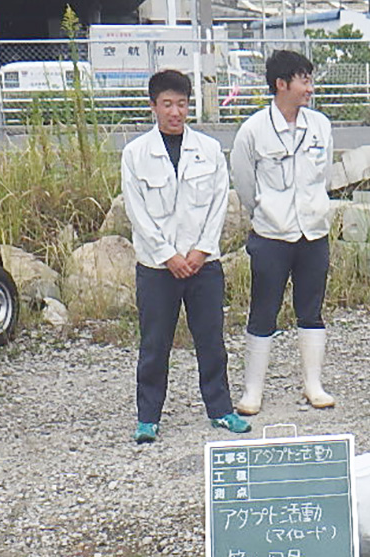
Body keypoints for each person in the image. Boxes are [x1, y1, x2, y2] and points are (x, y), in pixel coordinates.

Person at [121, 69, 250, 443]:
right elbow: (137, 211)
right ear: (153, 107)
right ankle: (148, 417)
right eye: (167, 104)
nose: (175, 112)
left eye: (181, 104)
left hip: (203, 264)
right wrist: (168, 256)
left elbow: (217, 205)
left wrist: (200, 251)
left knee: (211, 339)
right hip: (157, 267)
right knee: (154, 343)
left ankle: (221, 409)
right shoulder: (136, 153)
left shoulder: (208, 150)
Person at [230, 50, 335, 415]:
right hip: (271, 234)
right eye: (303, 80)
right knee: (263, 310)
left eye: (309, 79)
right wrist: (264, 211)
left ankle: (313, 384)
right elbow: (244, 181)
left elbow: (324, 177)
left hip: (313, 232)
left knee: (311, 309)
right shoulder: (253, 130)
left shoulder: (320, 125)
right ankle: (252, 391)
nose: (309, 88)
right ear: (281, 84)